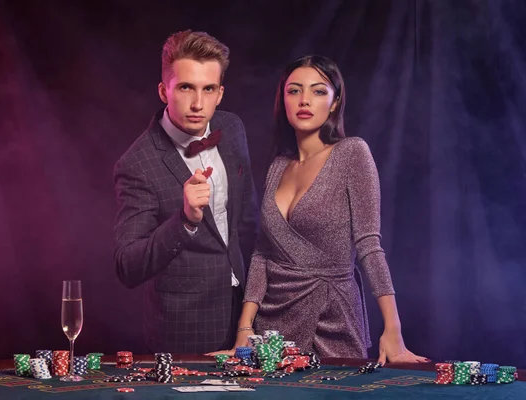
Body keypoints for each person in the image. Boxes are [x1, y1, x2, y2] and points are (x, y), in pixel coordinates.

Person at [210, 55, 428, 365]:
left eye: (318, 91)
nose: (305, 100)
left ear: (335, 101)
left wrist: (393, 329)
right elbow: (262, 255)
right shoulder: (278, 167)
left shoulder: (352, 153)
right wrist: (244, 329)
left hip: (332, 319)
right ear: (283, 100)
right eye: (294, 90)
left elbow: (369, 245)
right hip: (271, 326)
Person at [113, 30, 259, 354]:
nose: (197, 103)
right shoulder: (138, 163)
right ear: (164, 91)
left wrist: (255, 309)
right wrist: (185, 220)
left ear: (220, 93)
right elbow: (127, 266)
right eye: (185, 88)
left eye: (208, 89)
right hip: (185, 330)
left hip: (246, 317)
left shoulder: (232, 129)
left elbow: (248, 223)